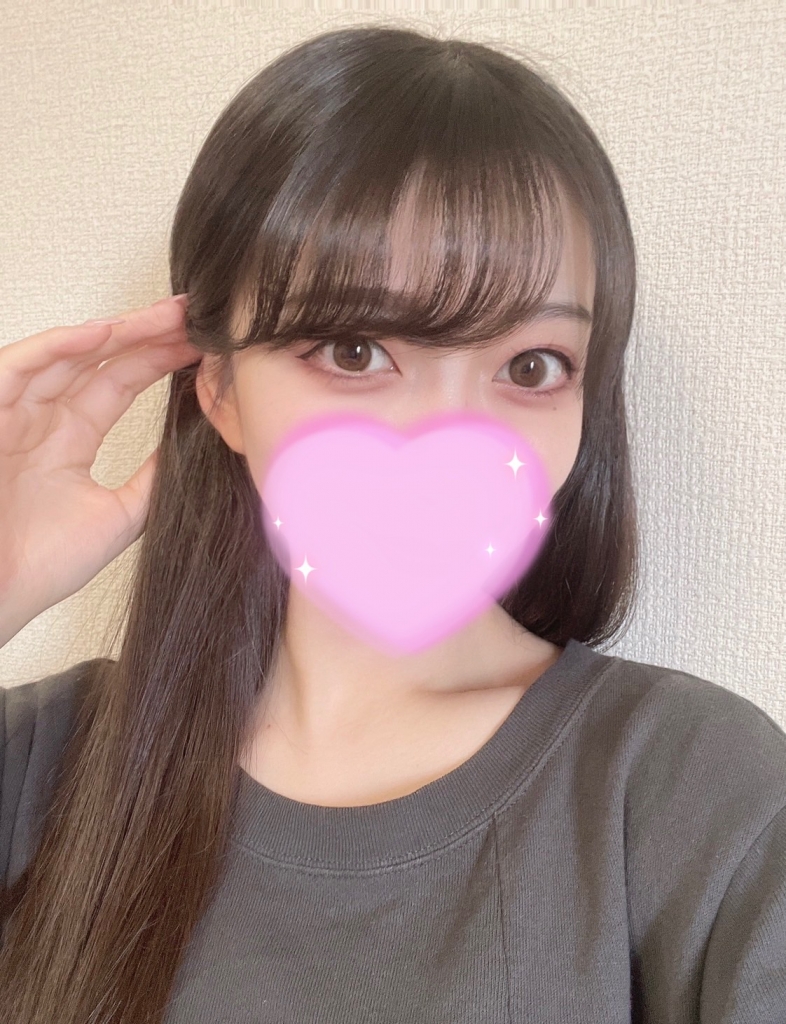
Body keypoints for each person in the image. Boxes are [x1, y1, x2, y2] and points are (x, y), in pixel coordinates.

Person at [0, 24, 784, 1024]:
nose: (446, 441)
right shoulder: (42, 765)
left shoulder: (694, 791)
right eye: (354, 350)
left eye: (531, 366)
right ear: (220, 388)